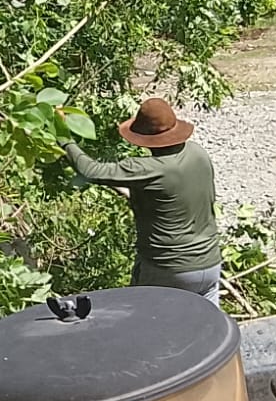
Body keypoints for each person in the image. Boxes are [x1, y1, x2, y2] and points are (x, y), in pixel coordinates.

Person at [62, 97, 222, 305]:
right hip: (210, 265)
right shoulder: (197, 153)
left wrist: (64, 138)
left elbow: (90, 170)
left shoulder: (147, 168)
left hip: (169, 267)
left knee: (145, 319)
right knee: (210, 323)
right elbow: (174, 196)